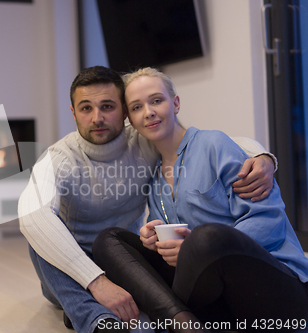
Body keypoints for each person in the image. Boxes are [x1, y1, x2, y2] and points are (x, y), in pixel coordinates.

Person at [18, 66, 276, 333]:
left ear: (124, 112)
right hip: (68, 271)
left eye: (107, 106)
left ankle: (107, 311)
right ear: (73, 113)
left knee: (119, 254)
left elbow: (207, 142)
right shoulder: (58, 158)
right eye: (86, 108)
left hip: (118, 260)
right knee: (40, 236)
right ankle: (98, 320)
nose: (97, 118)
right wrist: (96, 282)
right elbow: (30, 216)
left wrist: (263, 158)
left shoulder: (142, 140)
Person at [92, 67, 308, 333]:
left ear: (176, 103)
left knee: (205, 238)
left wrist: (196, 252)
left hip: (279, 293)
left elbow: (268, 219)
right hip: (219, 303)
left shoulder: (214, 144)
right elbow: (180, 243)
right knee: (108, 240)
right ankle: (185, 324)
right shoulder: (154, 179)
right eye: (137, 107)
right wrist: (154, 242)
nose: (148, 112)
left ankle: (165, 320)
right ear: (131, 120)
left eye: (156, 100)